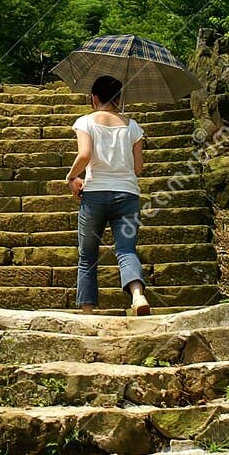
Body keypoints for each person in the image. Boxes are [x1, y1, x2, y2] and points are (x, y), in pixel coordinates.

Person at [65, 74, 151, 316]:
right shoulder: (133, 127)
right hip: (127, 195)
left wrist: (71, 177)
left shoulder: (85, 122)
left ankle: (88, 310)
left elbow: (84, 155)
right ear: (119, 98)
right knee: (126, 250)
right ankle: (137, 295)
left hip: (95, 195)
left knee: (87, 255)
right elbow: (138, 168)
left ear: (94, 98)